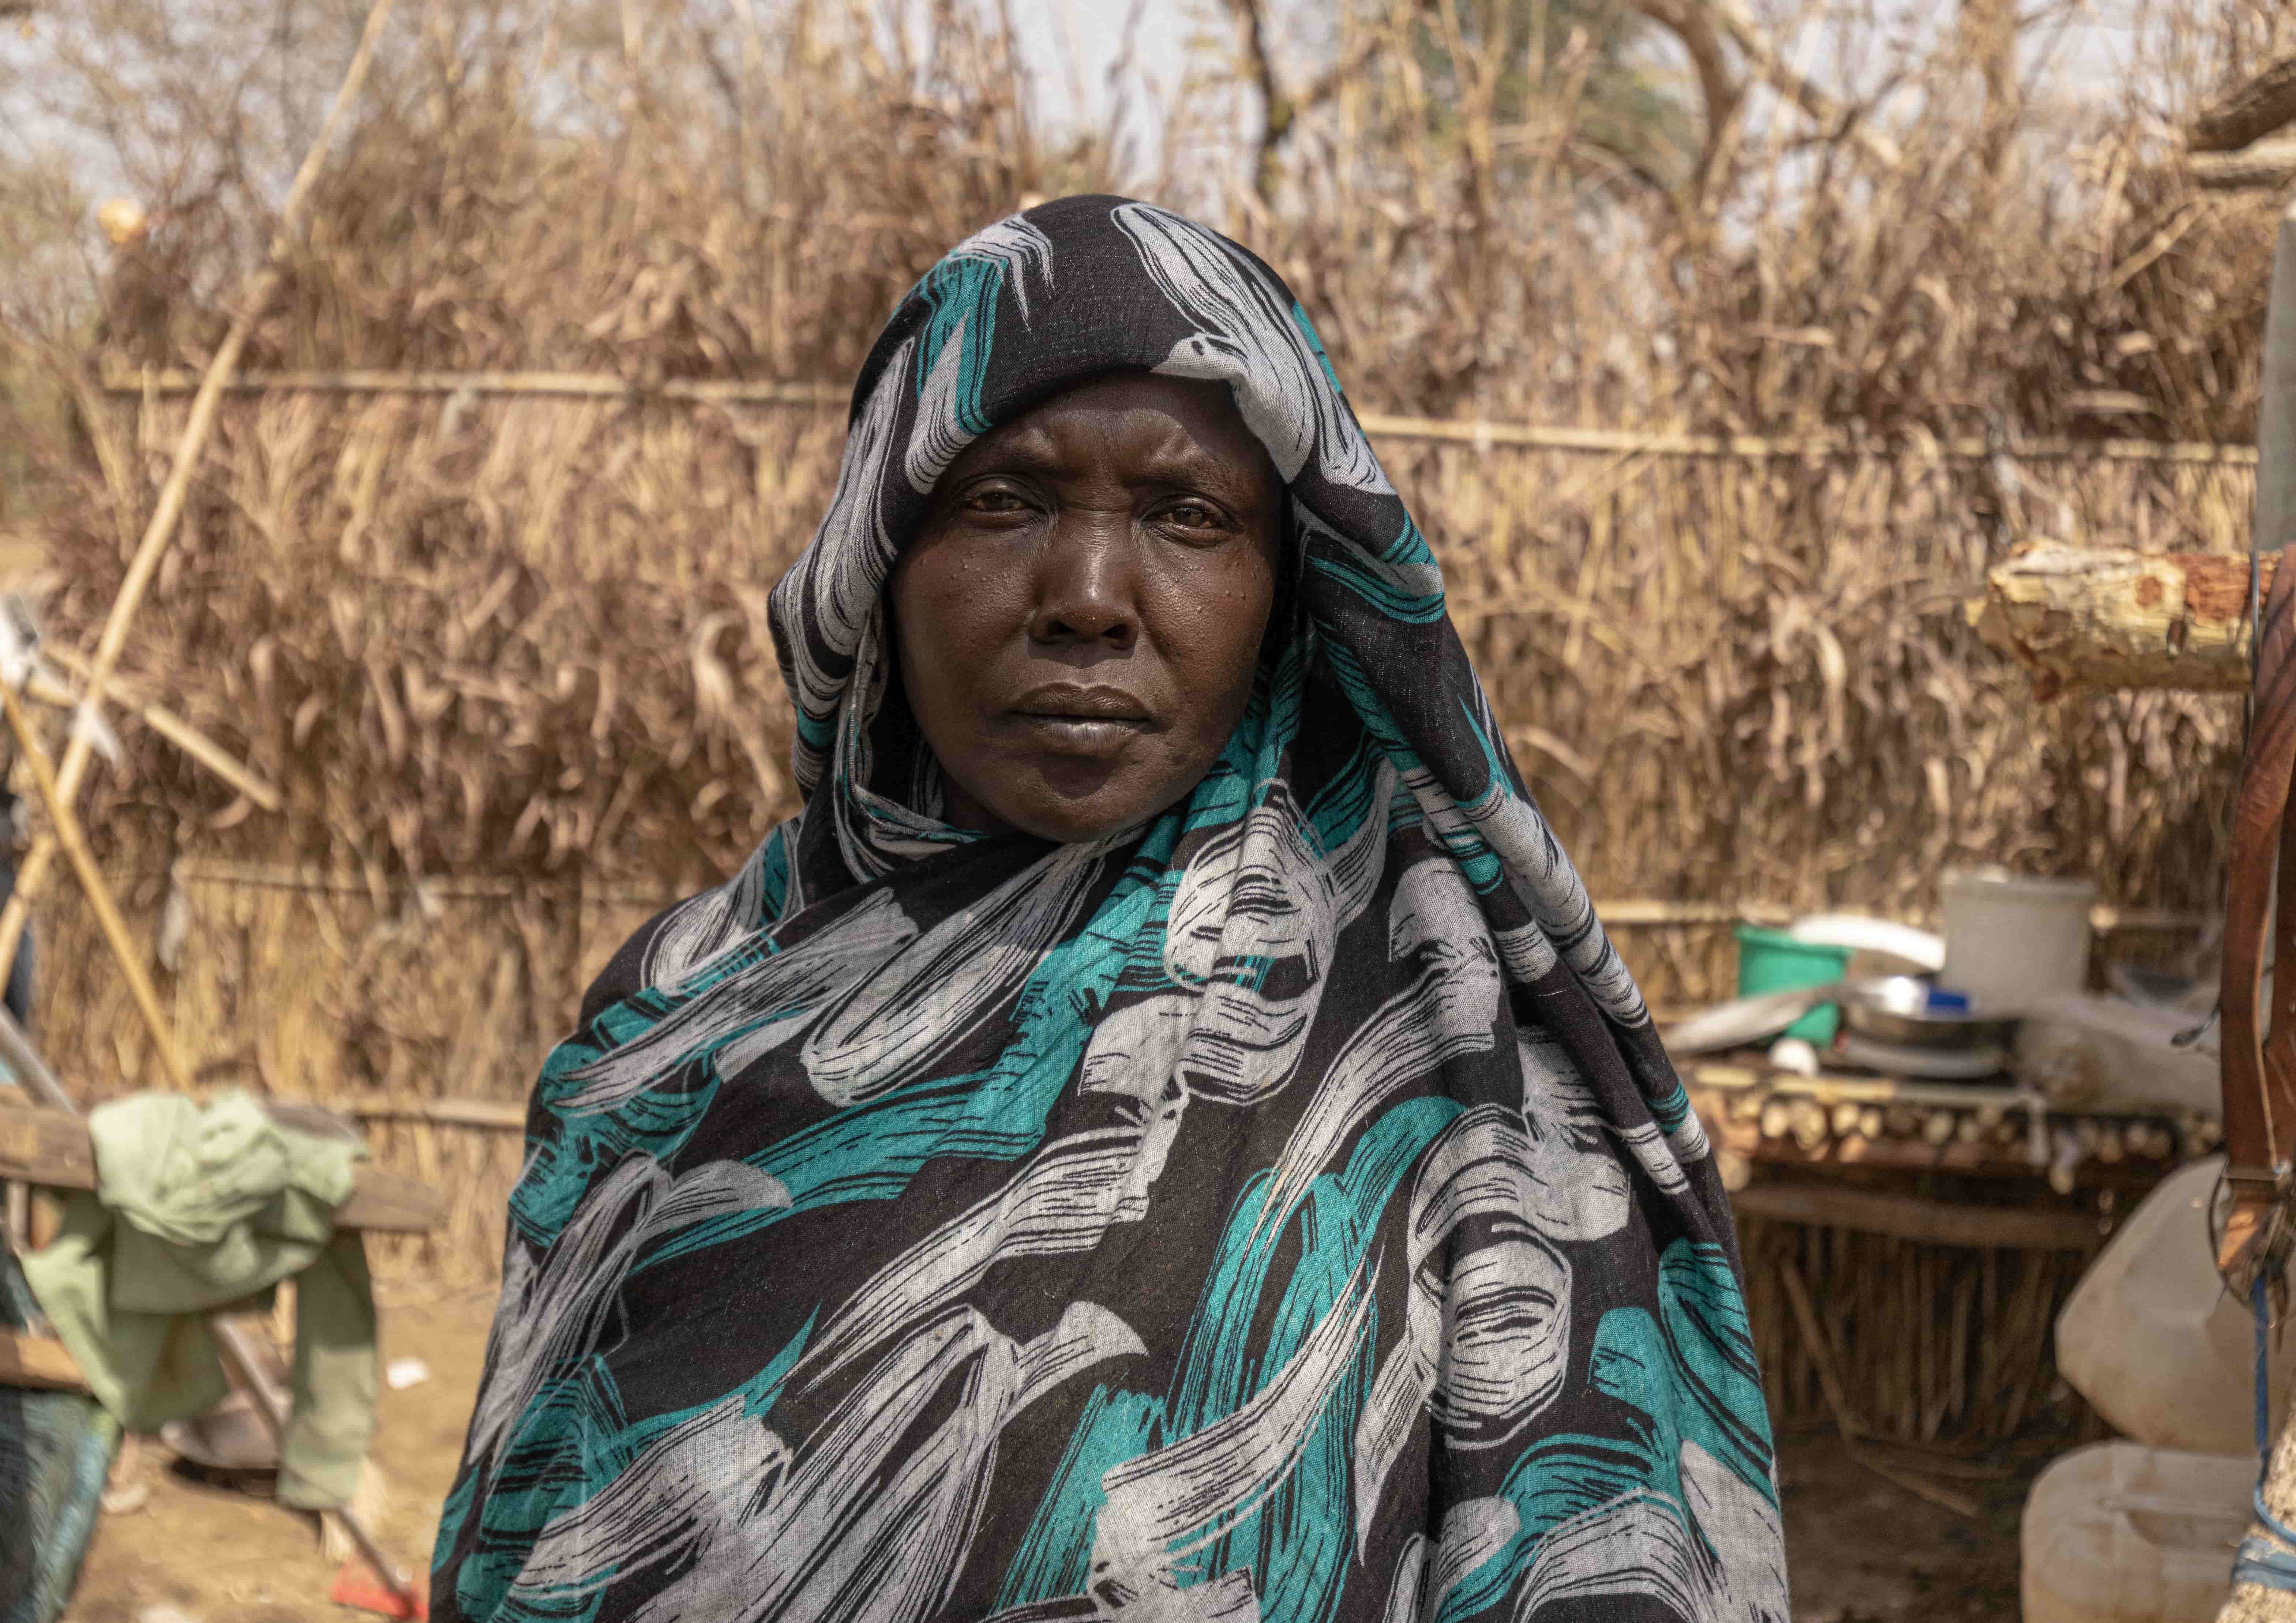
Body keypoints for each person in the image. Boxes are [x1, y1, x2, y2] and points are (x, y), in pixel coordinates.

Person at [433, 196, 1788, 1623]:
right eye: (1002, 500)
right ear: (874, 563)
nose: (1087, 597)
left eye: (1186, 514)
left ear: (1294, 588)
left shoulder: (1465, 1069)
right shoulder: (678, 1013)